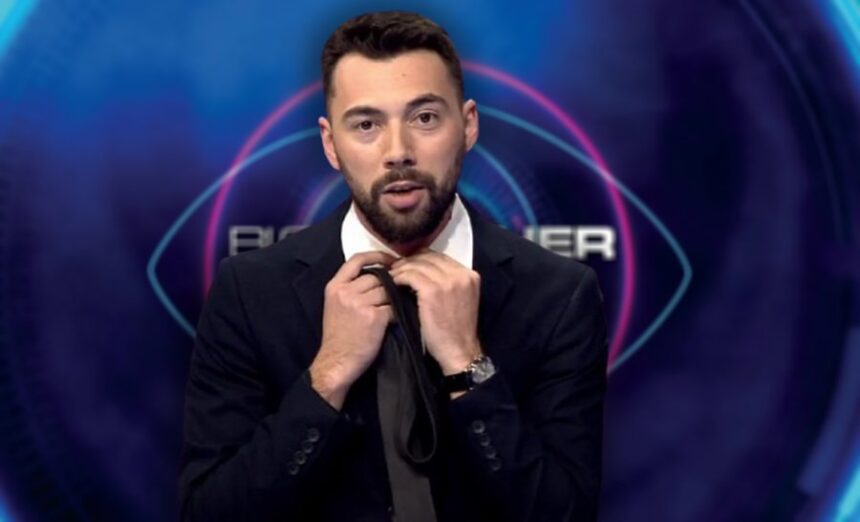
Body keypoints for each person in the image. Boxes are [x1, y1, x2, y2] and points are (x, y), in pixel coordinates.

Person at [178, 10, 608, 522]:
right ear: (330, 144)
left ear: (468, 125)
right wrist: (329, 374)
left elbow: (564, 514)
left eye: (424, 118)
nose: (398, 152)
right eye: (366, 125)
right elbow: (209, 513)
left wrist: (469, 364)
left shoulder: (559, 295)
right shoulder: (249, 292)